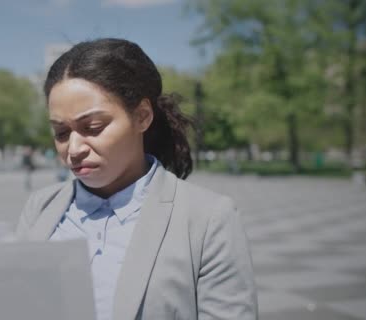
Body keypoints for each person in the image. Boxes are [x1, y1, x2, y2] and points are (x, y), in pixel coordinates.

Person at [15, 38, 257, 320]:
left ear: (142, 116)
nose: (74, 148)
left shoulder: (208, 219)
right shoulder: (40, 208)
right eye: (61, 133)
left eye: (92, 127)